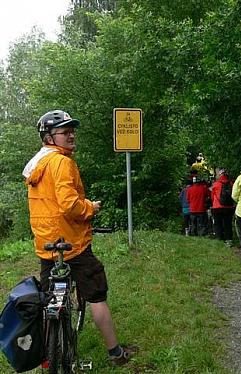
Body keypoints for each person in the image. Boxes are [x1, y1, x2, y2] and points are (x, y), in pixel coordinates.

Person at [22, 110, 137, 366]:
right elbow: (68, 205)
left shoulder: (36, 164)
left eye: (72, 130)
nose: (71, 135)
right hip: (72, 243)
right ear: (50, 137)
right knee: (97, 295)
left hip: (47, 245)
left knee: (49, 300)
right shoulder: (61, 162)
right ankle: (115, 352)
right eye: (65, 132)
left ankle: (46, 353)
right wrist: (90, 208)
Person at [211, 168, 235, 246]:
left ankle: (220, 239)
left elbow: (212, 196)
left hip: (217, 207)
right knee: (227, 224)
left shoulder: (216, 184)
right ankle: (229, 240)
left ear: (220, 175)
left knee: (218, 224)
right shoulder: (231, 183)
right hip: (229, 207)